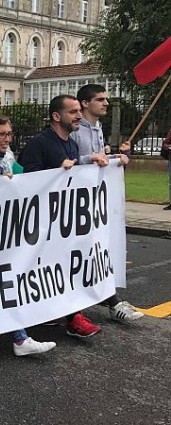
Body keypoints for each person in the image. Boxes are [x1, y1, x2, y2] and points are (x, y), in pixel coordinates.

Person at [0, 116, 59, 356]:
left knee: (5, 282)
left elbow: (26, 177)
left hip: (8, 233)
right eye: (1, 134)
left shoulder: (8, 157)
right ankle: (13, 337)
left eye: (9, 134)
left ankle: (17, 338)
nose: (7, 139)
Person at [19, 94, 110, 338]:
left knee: (66, 265)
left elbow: (73, 168)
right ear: (56, 116)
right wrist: (57, 172)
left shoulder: (71, 142)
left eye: (79, 111)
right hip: (41, 220)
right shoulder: (40, 142)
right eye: (73, 112)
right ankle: (57, 314)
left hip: (63, 219)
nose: (79, 115)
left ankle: (72, 315)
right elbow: (29, 177)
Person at [72, 84, 142, 323]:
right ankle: (105, 301)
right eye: (100, 99)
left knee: (97, 249)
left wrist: (117, 158)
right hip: (75, 202)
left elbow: (97, 161)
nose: (106, 103)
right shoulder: (76, 130)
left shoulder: (97, 128)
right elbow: (70, 162)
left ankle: (107, 296)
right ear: (84, 103)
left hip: (94, 201)